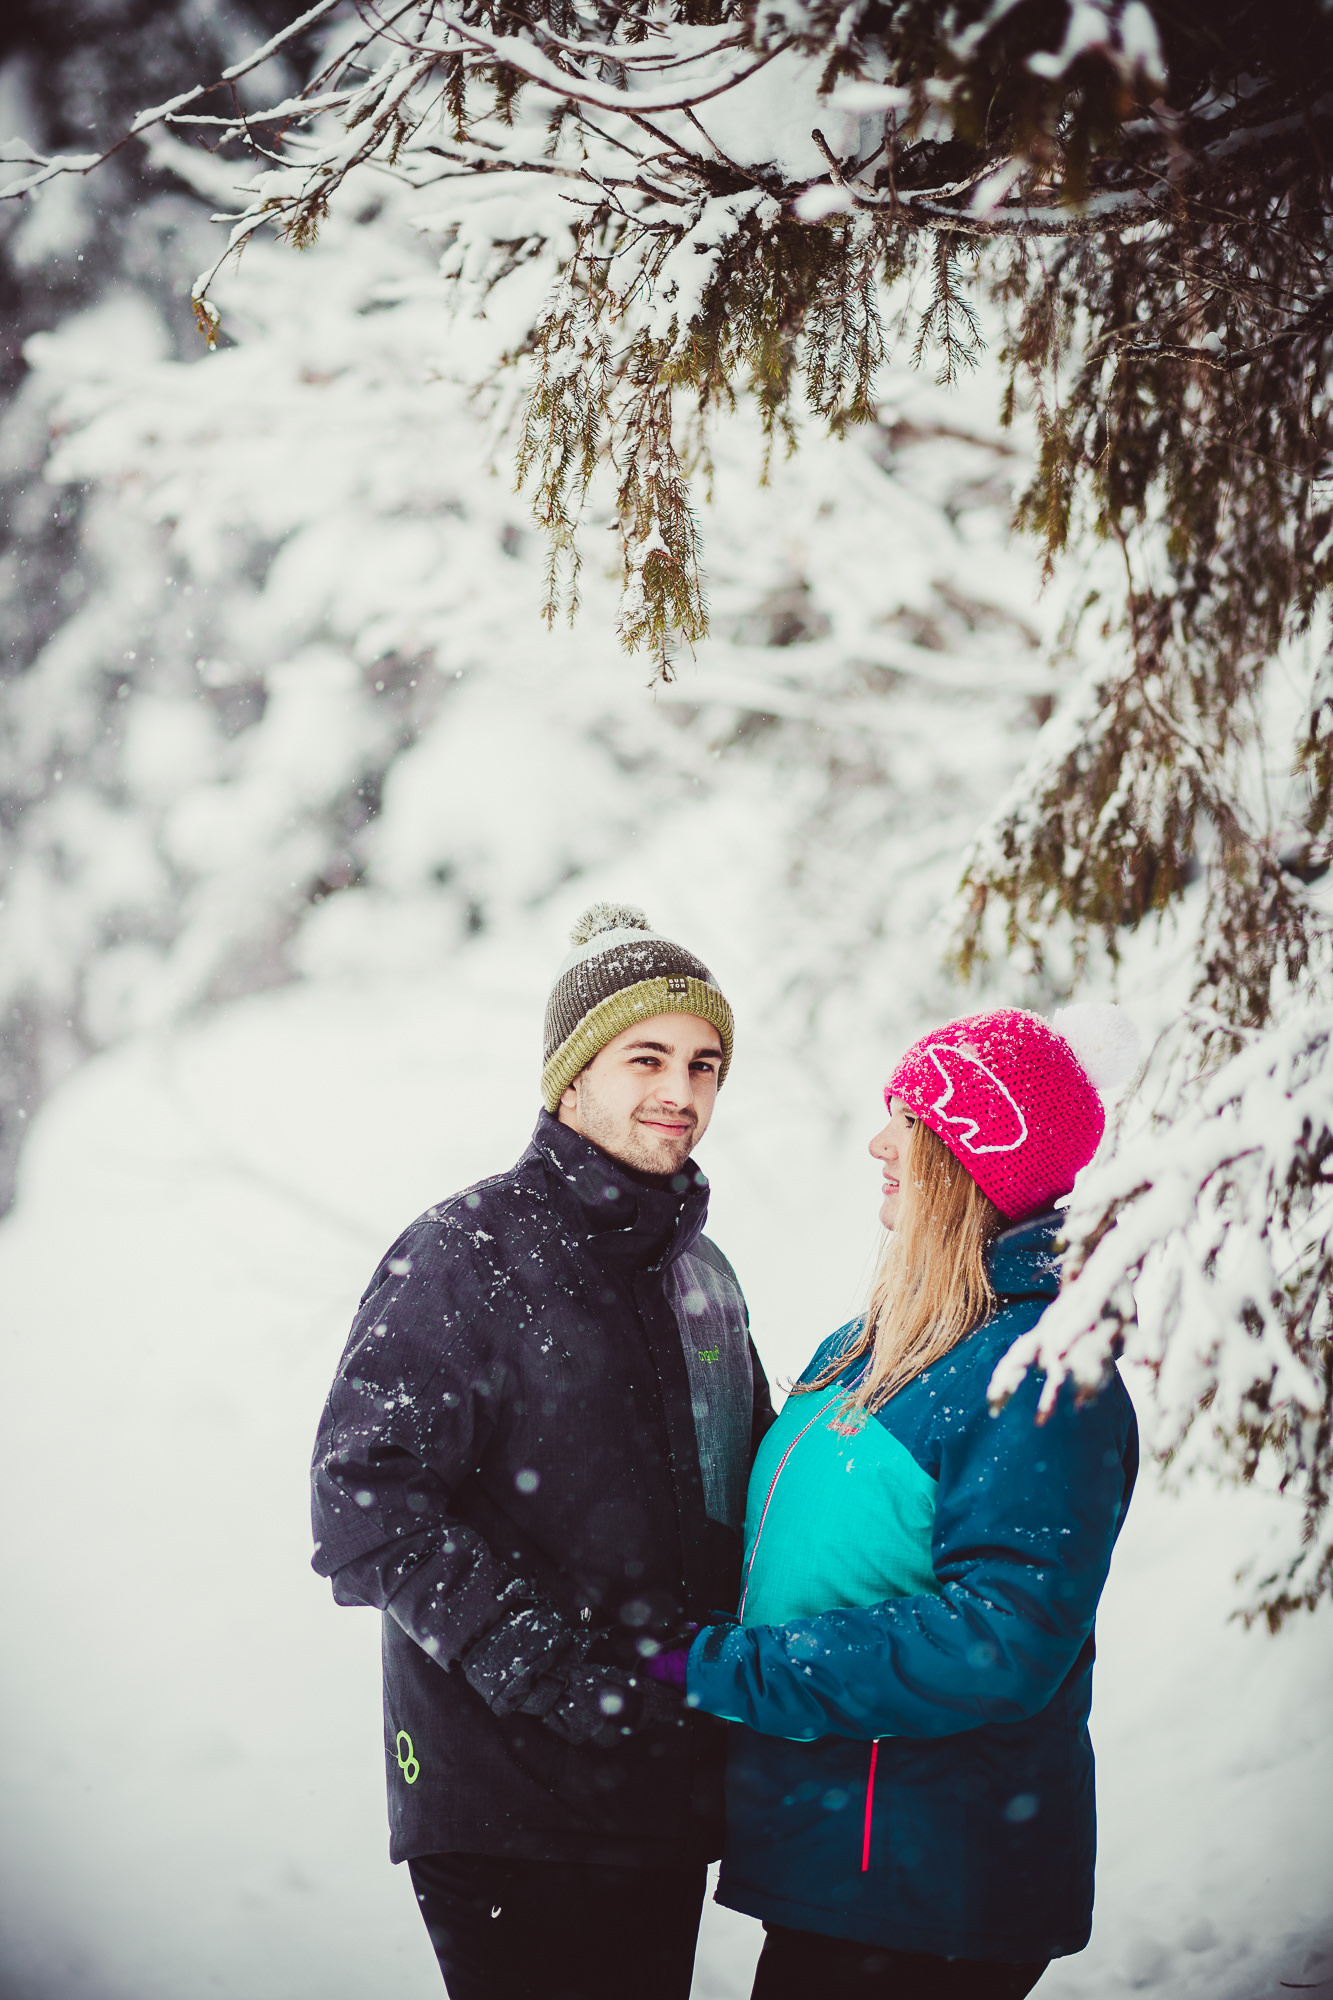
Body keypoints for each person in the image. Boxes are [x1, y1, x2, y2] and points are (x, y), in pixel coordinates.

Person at [311, 903, 773, 2000]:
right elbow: (361, 1502)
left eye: (705, 1064)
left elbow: (743, 1495)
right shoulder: (464, 1256)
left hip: (658, 1795)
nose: (683, 1091)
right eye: (646, 1057)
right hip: (508, 1801)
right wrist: (556, 1673)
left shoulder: (700, 1275)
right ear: (571, 1075)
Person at [668, 1006, 1141, 1999]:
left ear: (975, 1159)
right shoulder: (863, 1343)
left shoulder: (1044, 1369)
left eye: (911, 1119)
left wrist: (736, 1667)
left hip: (933, 1877)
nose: (880, 1140)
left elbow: (1002, 1638)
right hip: (837, 1854)